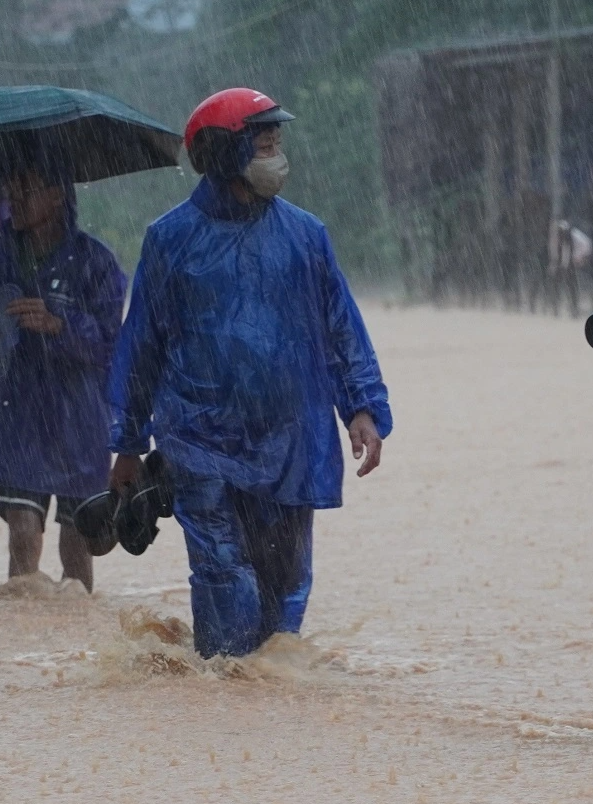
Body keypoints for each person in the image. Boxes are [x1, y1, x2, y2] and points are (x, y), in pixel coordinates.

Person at [109, 88, 392, 657]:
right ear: (223, 152)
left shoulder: (306, 235)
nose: (276, 157)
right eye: (264, 145)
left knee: (282, 590)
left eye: (278, 144)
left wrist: (361, 407)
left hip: (291, 440)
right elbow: (141, 344)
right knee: (225, 579)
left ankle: (266, 707)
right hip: (198, 441)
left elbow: (341, 328)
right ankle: (224, 703)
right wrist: (128, 443)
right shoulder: (169, 240)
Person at [0, 165, 125, 591]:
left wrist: (59, 324)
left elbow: (111, 345)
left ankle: (73, 635)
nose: (15, 199)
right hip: (16, 412)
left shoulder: (94, 261)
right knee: (22, 531)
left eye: (27, 188)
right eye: (9, 188)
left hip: (78, 417)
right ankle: (21, 637)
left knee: (77, 539)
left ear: (59, 195)